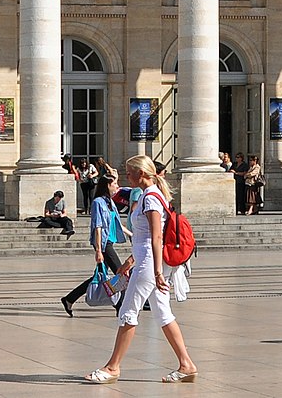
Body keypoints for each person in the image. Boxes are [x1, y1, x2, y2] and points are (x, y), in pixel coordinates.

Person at [84, 156, 198, 384]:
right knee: (162, 312)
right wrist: (131, 260)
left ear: (142, 174)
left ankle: (113, 367)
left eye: (130, 172)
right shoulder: (149, 195)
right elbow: (143, 238)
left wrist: (156, 271)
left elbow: (155, 237)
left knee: (128, 312)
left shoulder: (151, 198)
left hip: (149, 263)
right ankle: (186, 364)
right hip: (145, 259)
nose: (127, 176)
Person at [61, 171, 129, 316]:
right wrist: (98, 250)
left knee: (98, 276)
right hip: (103, 244)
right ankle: (120, 305)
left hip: (109, 241)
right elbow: (97, 226)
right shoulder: (98, 202)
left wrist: (133, 235)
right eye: (115, 184)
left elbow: (116, 222)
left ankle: (69, 299)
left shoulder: (109, 202)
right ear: (107, 186)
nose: (117, 186)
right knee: (121, 272)